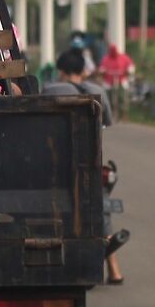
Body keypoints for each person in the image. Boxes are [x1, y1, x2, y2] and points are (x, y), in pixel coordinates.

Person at [42, 51, 125, 282]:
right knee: (101, 210)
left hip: (57, 162)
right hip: (91, 162)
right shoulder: (98, 91)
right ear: (82, 70)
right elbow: (107, 122)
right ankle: (115, 270)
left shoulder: (49, 90)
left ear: (61, 70)